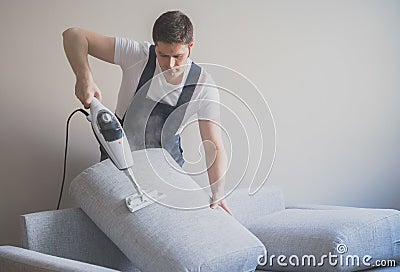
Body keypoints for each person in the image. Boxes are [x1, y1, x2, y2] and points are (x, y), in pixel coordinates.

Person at [63, 10, 232, 215]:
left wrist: (218, 192)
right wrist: (84, 77)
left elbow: (213, 145)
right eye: (163, 55)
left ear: (191, 46)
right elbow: (73, 35)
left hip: (165, 169)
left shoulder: (203, 86)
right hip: (117, 162)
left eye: (178, 56)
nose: (170, 64)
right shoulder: (137, 55)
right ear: (155, 46)